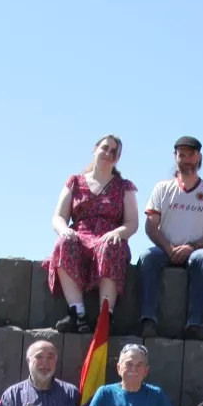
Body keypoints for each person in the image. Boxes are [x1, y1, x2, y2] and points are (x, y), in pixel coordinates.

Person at [47, 134, 139, 333]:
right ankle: (77, 313)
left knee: (111, 245)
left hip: (108, 236)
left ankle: (105, 316)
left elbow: (132, 223)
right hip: (79, 236)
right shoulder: (74, 182)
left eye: (114, 151)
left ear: (118, 158)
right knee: (63, 243)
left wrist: (118, 233)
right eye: (105, 148)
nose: (108, 153)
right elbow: (58, 217)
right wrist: (64, 230)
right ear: (95, 149)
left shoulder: (124, 187)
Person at [139, 136, 203, 339]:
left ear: (199, 157)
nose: (186, 159)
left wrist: (192, 246)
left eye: (191, 155)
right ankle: (148, 320)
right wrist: (168, 248)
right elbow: (151, 226)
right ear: (175, 157)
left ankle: (195, 324)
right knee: (146, 257)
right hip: (165, 249)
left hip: (195, 251)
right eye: (182, 155)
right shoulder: (162, 188)